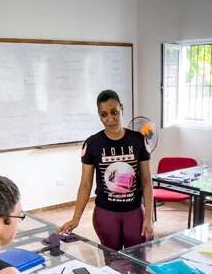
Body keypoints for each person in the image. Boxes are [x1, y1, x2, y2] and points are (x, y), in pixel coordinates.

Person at [57, 89, 154, 250]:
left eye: (114, 112)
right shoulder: (92, 144)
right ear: (99, 115)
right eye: (104, 115)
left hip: (135, 212)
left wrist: (149, 217)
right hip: (106, 214)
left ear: (122, 109)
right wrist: (76, 219)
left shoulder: (138, 140)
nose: (110, 119)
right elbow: (85, 185)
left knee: (138, 263)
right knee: (112, 264)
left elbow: (146, 181)